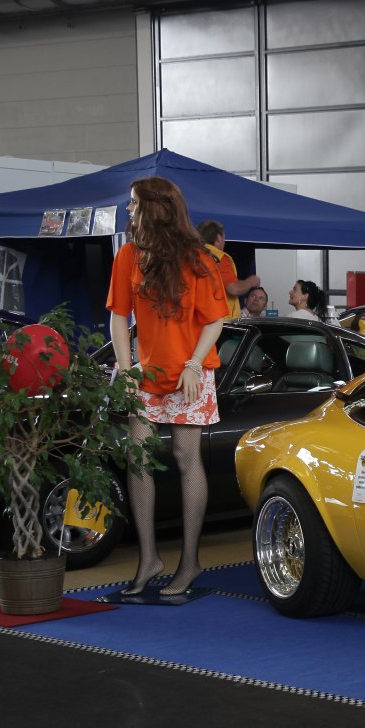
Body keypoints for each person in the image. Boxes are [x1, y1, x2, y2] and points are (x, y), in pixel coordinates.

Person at [109, 178, 227, 596]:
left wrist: (194, 363)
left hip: (190, 374)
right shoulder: (128, 255)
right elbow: (118, 317)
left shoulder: (197, 258)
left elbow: (215, 319)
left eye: (133, 203)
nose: (128, 210)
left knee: (184, 457)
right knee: (137, 457)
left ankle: (189, 562)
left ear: (154, 208)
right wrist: (126, 370)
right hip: (147, 373)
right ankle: (149, 559)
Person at [199, 219, 258, 321]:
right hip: (219, 321)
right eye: (224, 238)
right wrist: (251, 281)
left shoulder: (190, 256)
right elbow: (234, 289)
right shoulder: (218, 258)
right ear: (218, 238)